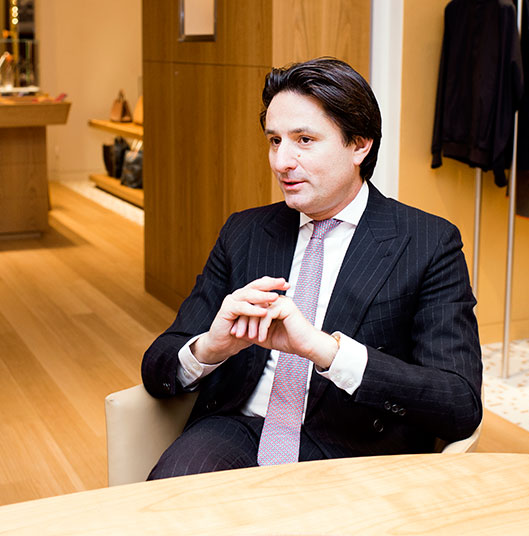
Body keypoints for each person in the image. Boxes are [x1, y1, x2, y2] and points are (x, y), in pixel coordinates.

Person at [141, 57, 483, 479]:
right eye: (274, 140)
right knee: (169, 497)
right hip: (238, 430)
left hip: (356, 446)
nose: (281, 161)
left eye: (304, 140)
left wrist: (325, 351)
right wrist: (211, 348)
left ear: (359, 145)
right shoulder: (245, 232)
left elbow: (459, 403)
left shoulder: (428, 243)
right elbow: (157, 368)